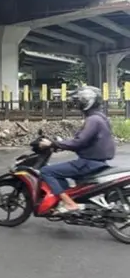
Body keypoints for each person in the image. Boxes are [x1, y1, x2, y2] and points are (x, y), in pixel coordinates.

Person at [39, 85, 116, 214]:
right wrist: (61, 144)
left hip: (88, 163)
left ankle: (69, 203)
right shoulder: (101, 117)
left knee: (47, 171)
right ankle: (69, 199)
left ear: (88, 102)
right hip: (97, 162)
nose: (77, 103)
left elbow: (79, 142)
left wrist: (53, 143)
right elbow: (86, 141)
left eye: (80, 100)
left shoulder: (93, 120)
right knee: (60, 172)